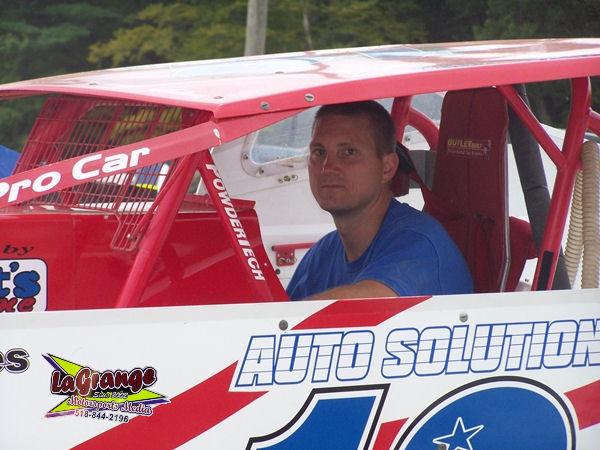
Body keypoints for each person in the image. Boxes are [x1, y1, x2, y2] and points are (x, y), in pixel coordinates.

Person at [286, 100, 473, 300]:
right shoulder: (323, 253)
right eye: (319, 152)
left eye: (348, 152)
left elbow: (369, 305)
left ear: (387, 168)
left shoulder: (419, 244)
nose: (327, 167)